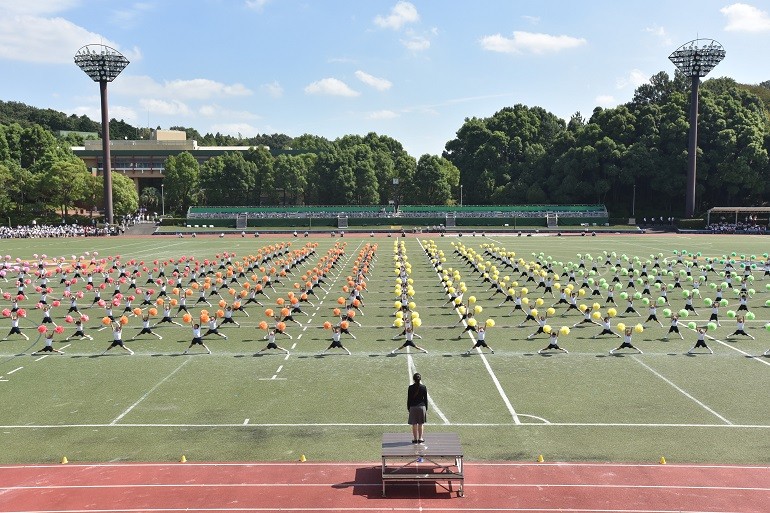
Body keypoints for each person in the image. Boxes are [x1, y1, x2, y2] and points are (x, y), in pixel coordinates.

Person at [407, 372, 428, 444]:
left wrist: (408, 408)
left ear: (414, 379)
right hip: (422, 407)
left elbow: (409, 399)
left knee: (414, 424)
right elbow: (425, 399)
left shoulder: (410, 388)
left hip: (413, 407)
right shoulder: (423, 387)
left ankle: (415, 439)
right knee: (421, 423)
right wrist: (426, 408)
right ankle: (420, 438)